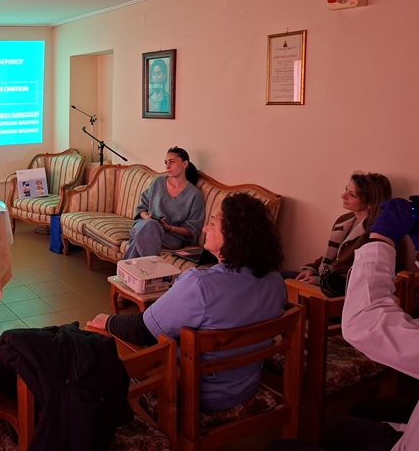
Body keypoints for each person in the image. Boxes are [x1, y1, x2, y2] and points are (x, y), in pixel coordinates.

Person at [90, 193, 287, 412]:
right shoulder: (276, 282)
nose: (205, 229)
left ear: (233, 237)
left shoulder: (200, 285)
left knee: (101, 339)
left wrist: (107, 322)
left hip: (196, 395)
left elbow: (144, 330)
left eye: (213, 224)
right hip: (247, 386)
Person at [266, 196, 419, 451]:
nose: (343, 196)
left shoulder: (369, 232)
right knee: (347, 425)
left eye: (352, 192)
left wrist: (380, 240)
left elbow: (364, 322)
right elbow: (328, 261)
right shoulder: (345, 222)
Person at [289, 172, 391, 294]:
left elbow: (360, 277)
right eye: (346, 190)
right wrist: (312, 269)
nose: (343, 196)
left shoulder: (376, 234)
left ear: (371, 204)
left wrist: (319, 281)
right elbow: (332, 256)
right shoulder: (345, 221)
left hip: (339, 290)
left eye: (352, 195)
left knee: (282, 282)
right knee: (278, 276)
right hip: (324, 278)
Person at [122, 146, 205, 260]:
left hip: (171, 236)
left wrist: (169, 227)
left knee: (143, 234)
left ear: (185, 163)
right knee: (150, 226)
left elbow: (192, 230)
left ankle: (129, 269)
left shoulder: (194, 194)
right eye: (166, 162)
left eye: (172, 162)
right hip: (146, 224)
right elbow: (142, 207)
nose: (167, 166)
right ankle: (148, 267)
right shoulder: (158, 182)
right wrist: (147, 217)